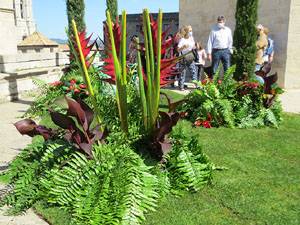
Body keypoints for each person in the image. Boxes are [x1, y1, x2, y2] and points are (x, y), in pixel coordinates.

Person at [177, 25, 198, 91]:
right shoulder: (182, 40)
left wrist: (194, 47)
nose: (191, 32)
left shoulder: (191, 38)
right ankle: (181, 86)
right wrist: (183, 47)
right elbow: (178, 50)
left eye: (191, 31)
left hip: (190, 57)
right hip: (183, 57)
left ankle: (196, 84)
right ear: (186, 32)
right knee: (183, 72)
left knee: (193, 71)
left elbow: (193, 47)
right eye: (190, 31)